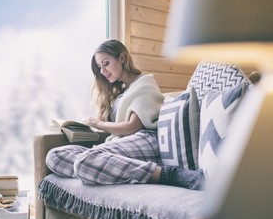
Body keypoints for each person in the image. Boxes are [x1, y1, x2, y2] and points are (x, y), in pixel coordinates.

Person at [46, 39, 205, 190]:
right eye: (99, 67)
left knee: (83, 162)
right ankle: (101, 171)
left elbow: (132, 127)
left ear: (122, 57)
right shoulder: (120, 93)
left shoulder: (144, 84)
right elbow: (108, 126)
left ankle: (170, 175)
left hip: (146, 139)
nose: (103, 71)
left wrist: (98, 124)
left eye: (106, 63)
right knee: (54, 156)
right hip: (123, 143)